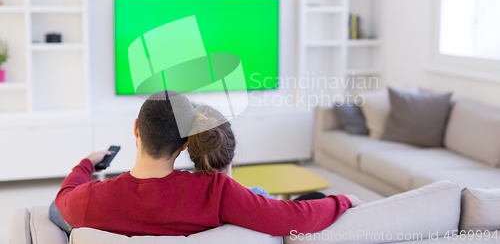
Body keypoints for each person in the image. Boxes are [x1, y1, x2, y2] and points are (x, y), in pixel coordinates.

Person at [51, 90, 363, 238]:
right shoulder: (214, 191)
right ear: (186, 142)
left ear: (136, 129)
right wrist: (343, 200)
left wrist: (86, 165)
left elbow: (61, 200)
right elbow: (291, 218)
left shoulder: (90, 200)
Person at [187, 104, 332, 201]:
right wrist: (345, 201)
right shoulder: (258, 198)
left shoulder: (179, 198)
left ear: (189, 149)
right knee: (318, 197)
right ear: (234, 141)